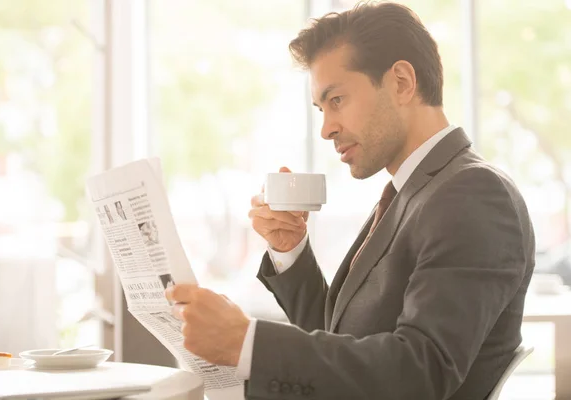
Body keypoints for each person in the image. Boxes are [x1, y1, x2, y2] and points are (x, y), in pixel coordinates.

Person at [166, 2, 535, 399]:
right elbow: (339, 335)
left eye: (337, 100)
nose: (326, 129)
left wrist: (247, 342)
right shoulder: (414, 191)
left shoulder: (473, 196)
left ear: (401, 82)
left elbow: (421, 371)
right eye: (321, 108)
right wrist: (290, 251)